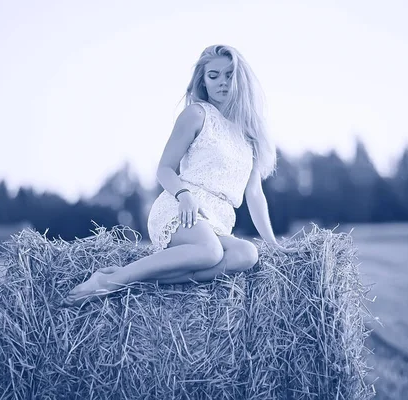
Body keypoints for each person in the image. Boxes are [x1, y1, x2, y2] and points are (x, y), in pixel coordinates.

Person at [62, 44, 296, 307]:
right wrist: (184, 196)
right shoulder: (196, 114)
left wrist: (273, 244)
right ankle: (107, 284)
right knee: (210, 251)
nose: (222, 82)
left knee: (247, 253)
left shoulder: (250, 137)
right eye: (213, 75)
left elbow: (254, 194)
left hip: (219, 220)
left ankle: (132, 279)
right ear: (203, 82)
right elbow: (164, 169)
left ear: (241, 79)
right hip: (181, 208)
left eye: (229, 74)